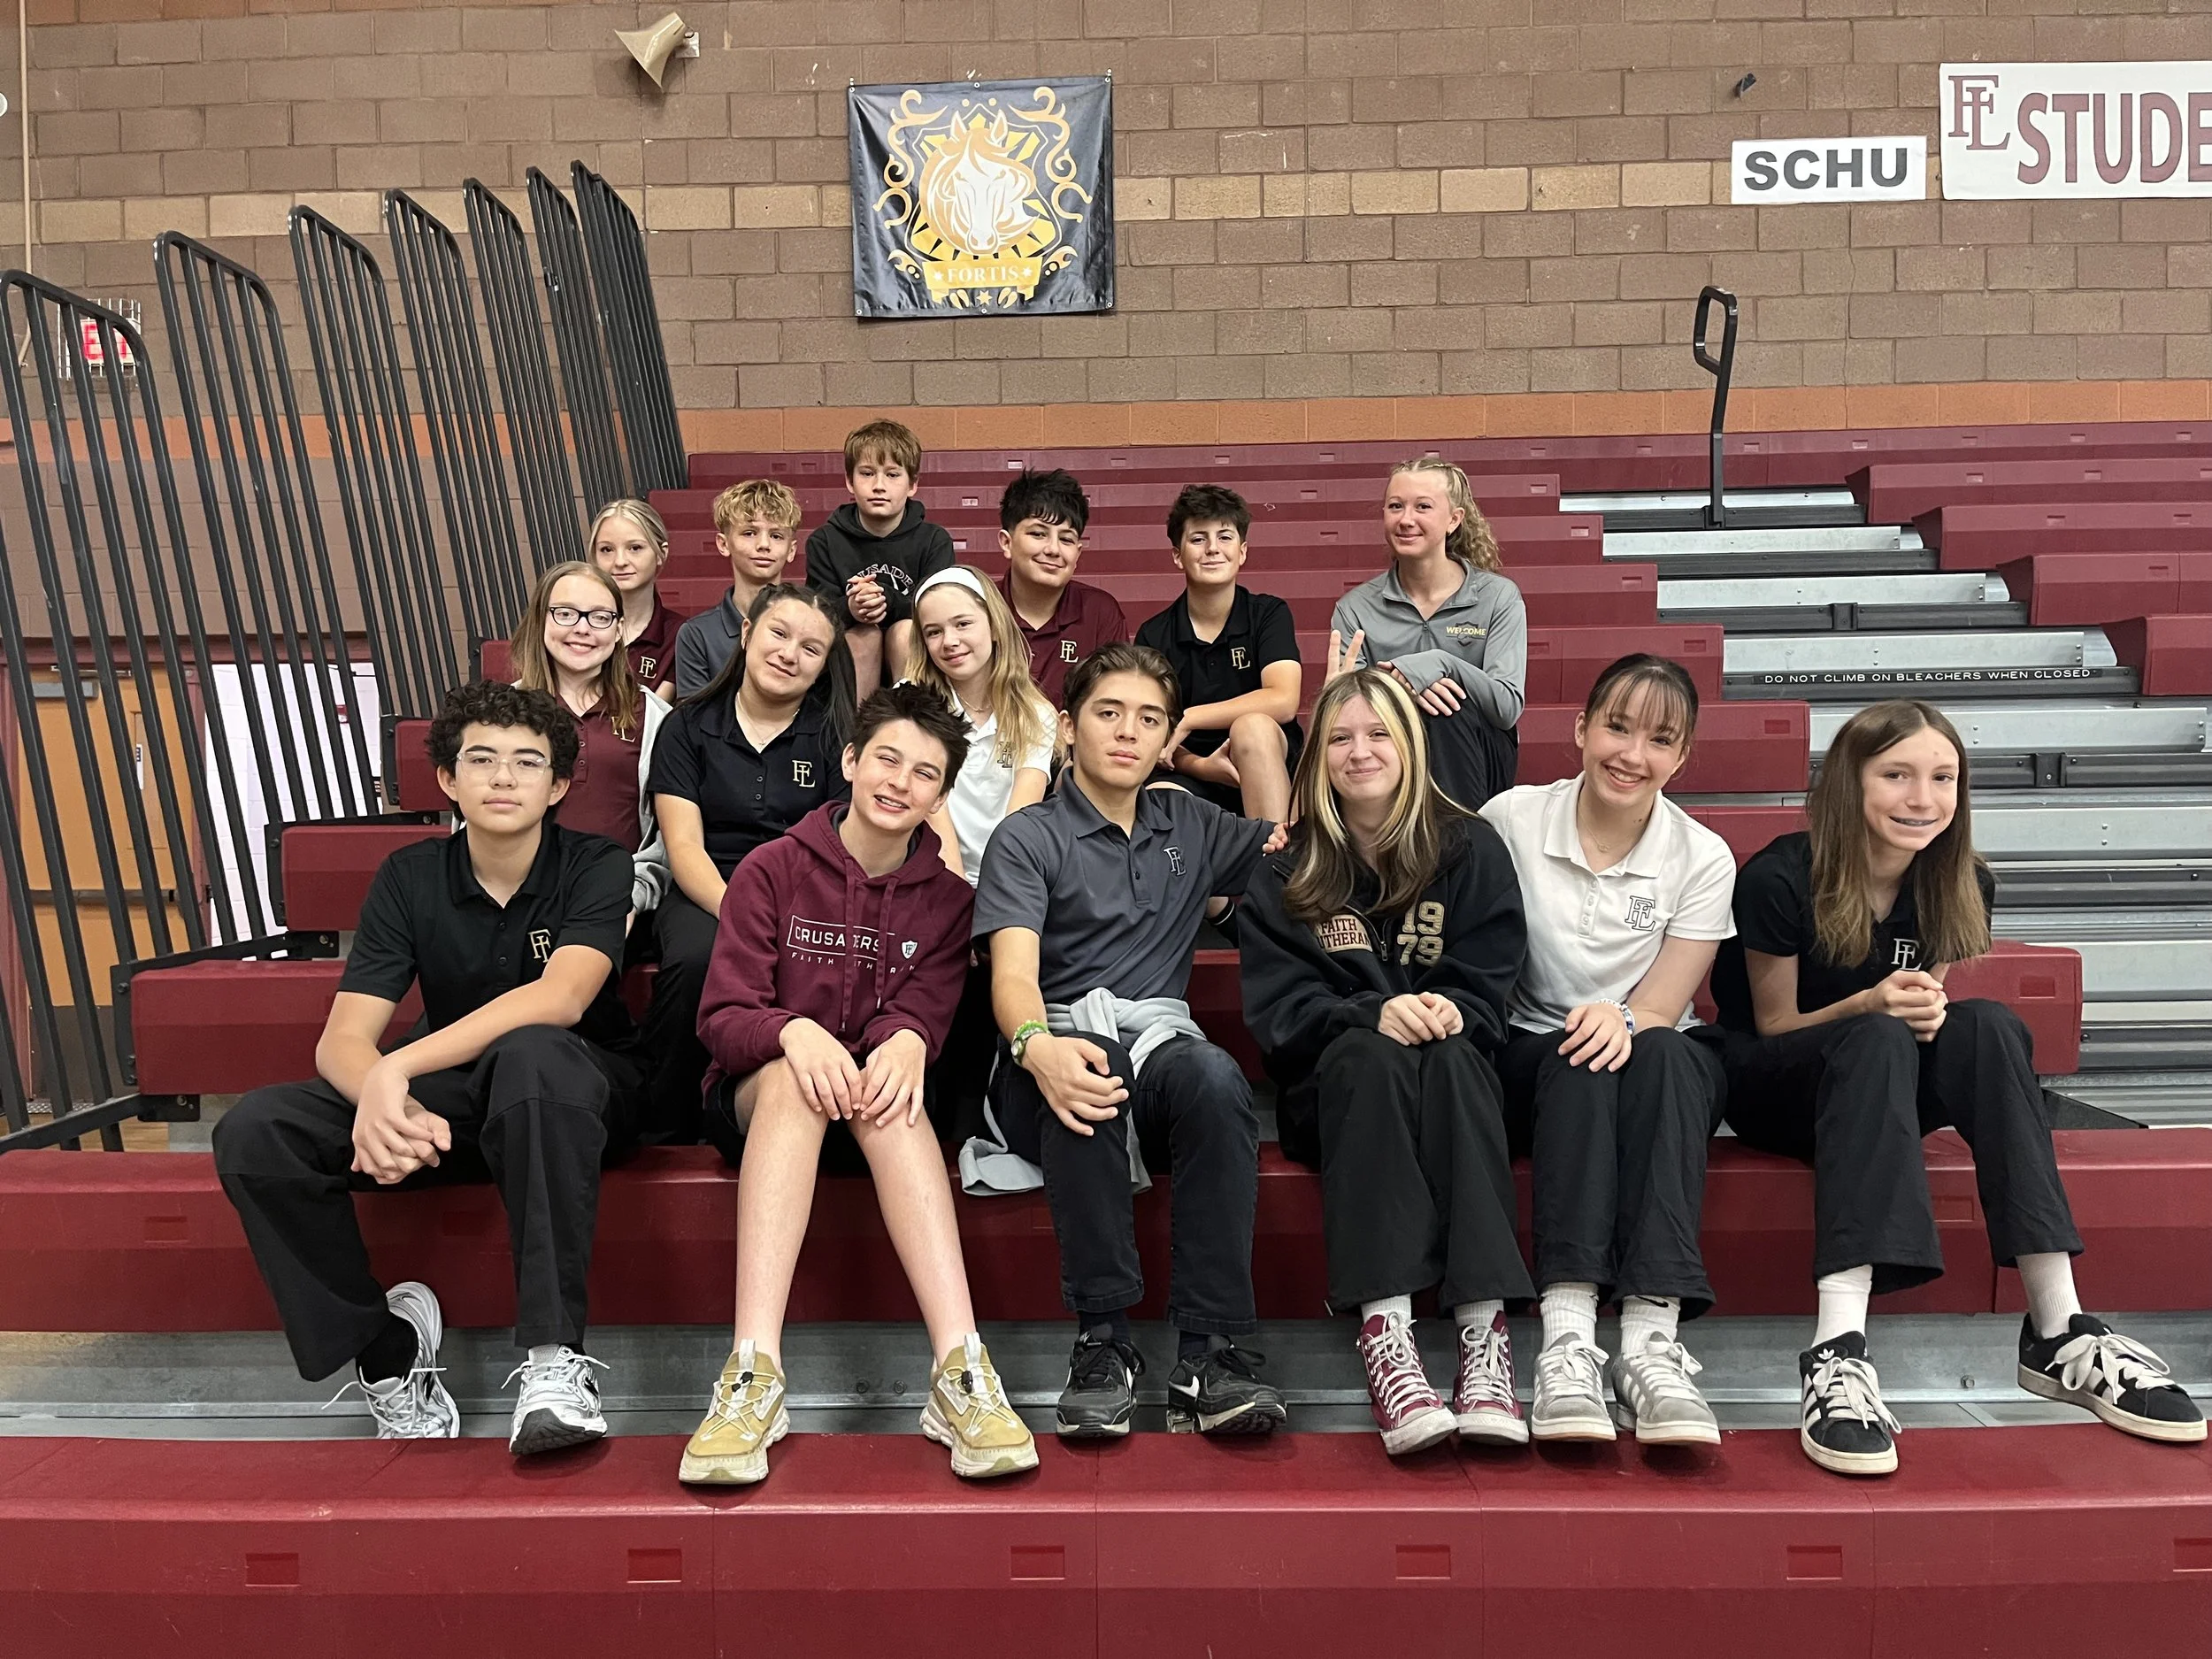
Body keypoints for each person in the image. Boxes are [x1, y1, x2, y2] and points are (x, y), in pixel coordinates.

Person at [1714, 699, 2205, 1477]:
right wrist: (1872, 1005)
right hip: (1774, 1086)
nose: (1923, 798)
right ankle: (1837, 1349)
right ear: (1850, 781)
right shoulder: (1779, 875)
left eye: (1943, 777)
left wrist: (1912, 1008)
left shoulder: (1962, 879)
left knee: (1990, 1026)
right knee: (1878, 1034)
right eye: (1897, 775)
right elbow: (1774, 1025)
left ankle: (2059, 1326)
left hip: (1880, 1082)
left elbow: (1927, 1012)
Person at [211, 681, 644, 1455]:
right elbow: (344, 1039)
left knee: (533, 1050)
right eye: (481, 759)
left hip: (574, 1096)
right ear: (448, 777)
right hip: (455, 1104)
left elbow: (563, 998)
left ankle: (554, 1363)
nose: (503, 777)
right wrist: (383, 1099)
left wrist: (397, 1069)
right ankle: (387, 1351)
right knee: (257, 1130)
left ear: (557, 785)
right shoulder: (409, 876)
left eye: (527, 762)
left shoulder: (596, 864)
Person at [679, 685, 1036, 1486]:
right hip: (763, 1100)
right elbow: (724, 1016)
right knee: (792, 1080)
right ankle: (753, 1373)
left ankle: (961, 1370)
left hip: (874, 1112)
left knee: (893, 1091)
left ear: (941, 797)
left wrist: (907, 1037)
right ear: (849, 760)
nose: (899, 782)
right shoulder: (770, 869)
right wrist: (792, 1031)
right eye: (887, 759)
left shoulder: (951, 903)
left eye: (924, 773)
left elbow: (924, 1011)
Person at [972, 641, 1286, 1440]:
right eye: (1108, 713)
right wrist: (1038, 1045)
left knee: (1215, 1076)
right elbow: (1013, 978)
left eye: (1149, 719)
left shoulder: (1190, 821)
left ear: (1167, 736)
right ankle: (1102, 1342)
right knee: (1093, 1060)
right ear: (1068, 727)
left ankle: (1210, 1351)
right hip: (1046, 1051)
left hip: (1158, 1046)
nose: (1127, 733)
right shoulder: (1028, 836)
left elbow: (1293, 851)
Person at [1239, 669, 1533, 1455]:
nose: (1359, 751)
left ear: (1410, 744)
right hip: (1337, 1088)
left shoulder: (1468, 845)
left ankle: (1484, 1335)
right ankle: (1387, 1332)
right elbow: (1279, 1015)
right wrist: (1368, 1012)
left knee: (1458, 1058)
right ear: (1318, 756)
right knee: (1371, 1055)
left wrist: (1454, 1007)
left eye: (1378, 734)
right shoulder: (1287, 865)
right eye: (1339, 737)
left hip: (1449, 1079)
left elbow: (1492, 977)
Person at [1478, 655, 1735, 1447]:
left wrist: (1621, 1017)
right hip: (1531, 1054)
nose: (1632, 754)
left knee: (1666, 1051)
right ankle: (1567, 1340)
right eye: (1617, 727)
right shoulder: (1511, 818)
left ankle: (1651, 1342)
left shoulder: (1702, 856)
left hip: (1649, 1055)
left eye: (1660, 739)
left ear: (1682, 756)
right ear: (1581, 728)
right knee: (1578, 1055)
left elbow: (1663, 1002)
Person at [641, 585, 856, 1141]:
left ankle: (788, 1118)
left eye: (811, 648)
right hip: (707, 887)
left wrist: (782, 918)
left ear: (823, 664)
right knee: (696, 960)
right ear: (746, 633)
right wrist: (741, 915)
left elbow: (838, 847)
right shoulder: (687, 725)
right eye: (778, 634)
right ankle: (670, 1130)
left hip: (802, 892)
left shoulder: (835, 736)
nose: (789, 654)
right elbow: (684, 847)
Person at [1330, 459, 1525, 810]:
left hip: (1477, 753)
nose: (1406, 519)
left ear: (1454, 519)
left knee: (1449, 710)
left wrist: (1443, 664)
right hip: (1391, 751)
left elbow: (1506, 708)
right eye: (1395, 506)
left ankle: (1462, 836)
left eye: (1423, 507)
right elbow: (1349, 706)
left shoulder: (1498, 596)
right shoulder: (1355, 607)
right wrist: (1407, 687)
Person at [507, 561, 670, 922]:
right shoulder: (503, 713)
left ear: (619, 630)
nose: (582, 629)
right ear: (541, 620)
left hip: (619, 898)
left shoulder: (654, 715)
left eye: (599, 617)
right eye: (565, 613)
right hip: (518, 898)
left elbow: (668, 835)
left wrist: (629, 896)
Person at [1135, 484, 1302, 824]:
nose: (1212, 549)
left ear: (1242, 551)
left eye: (1224, 537)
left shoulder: (1268, 614)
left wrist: (1192, 716)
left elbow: (1284, 700)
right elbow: (1156, 732)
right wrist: (1202, 767)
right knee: (1157, 796)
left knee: (1251, 727)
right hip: (1194, 771)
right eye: (1198, 539)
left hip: (1269, 762)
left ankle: (1278, 854)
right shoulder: (1154, 634)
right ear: (1177, 555)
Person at [806, 419, 955, 701]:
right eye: (867, 473)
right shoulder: (824, 541)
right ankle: (855, 726)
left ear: (913, 484)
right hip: (847, 664)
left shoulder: (935, 541)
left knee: (905, 632)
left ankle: (915, 720)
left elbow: (938, 612)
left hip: (917, 658)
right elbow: (817, 616)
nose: (879, 486)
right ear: (849, 481)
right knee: (865, 636)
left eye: (892, 475)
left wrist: (888, 601)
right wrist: (852, 608)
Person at [996, 468, 1126, 709]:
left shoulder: (1100, 613)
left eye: (1066, 539)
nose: (1053, 550)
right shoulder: (979, 606)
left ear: (1078, 553)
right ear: (1007, 543)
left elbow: (1114, 705)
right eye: (1038, 534)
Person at [675, 480, 803, 697]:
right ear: (723, 544)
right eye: (749, 533)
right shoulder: (697, 635)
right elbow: (693, 715)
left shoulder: (812, 625)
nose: (764, 545)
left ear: (791, 550)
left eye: (776, 536)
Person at [588, 499, 685, 699]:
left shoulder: (682, 635)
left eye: (635, 548)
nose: (620, 561)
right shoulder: (574, 627)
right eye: (607, 550)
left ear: (661, 553)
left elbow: (658, 713)